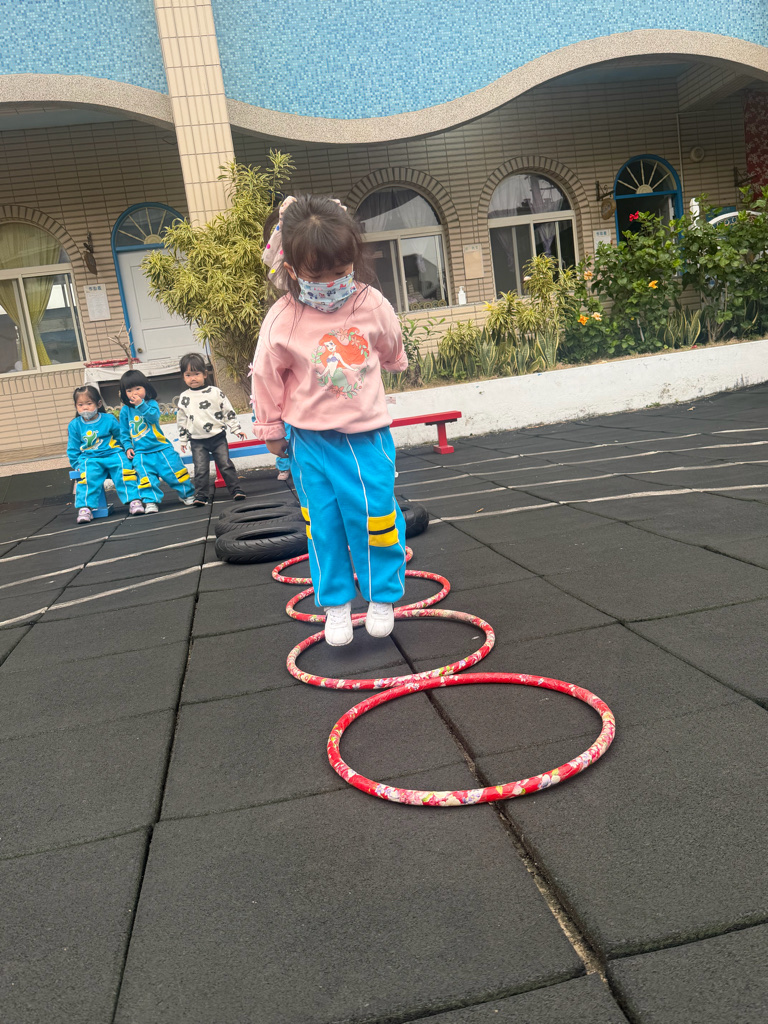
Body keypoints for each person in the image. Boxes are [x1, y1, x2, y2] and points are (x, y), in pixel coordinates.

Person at [251, 194, 409, 646]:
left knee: (376, 517)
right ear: (292, 269)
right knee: (322, 523)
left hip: (366, 437)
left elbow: (391, 341)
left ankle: (381, 596)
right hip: (310, 442)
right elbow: (265, 375)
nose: (331, 284)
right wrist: (271, 430)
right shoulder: (283, 317)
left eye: (341, 271)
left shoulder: (369, 303)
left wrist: (393, 361)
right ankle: (336, 605)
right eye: (316, 276)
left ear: (353, 259)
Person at [118, 369, 195, 512]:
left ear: (146, 388)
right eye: (129, 390)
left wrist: (141, 405)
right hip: (141, 453)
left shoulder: (151, 404)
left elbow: (153, 418)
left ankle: (187, 494)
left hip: (161, 448)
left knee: (175, 471)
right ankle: (150, 501)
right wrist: (128, 446)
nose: (134, 393)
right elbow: (123, 432)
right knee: (146, 478)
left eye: (138, 388)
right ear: (124, 393)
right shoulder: (125, 411)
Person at [176, 352, 247, 505]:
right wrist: (183, 440)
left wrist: (236, 428)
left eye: (196, 374)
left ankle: (236, 490)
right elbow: (182, 420)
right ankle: (201, 496)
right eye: (188, 375)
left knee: (225, 465)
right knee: (200, 469)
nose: (193, 378)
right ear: (183, 377)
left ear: (204, 374)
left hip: (217, 437)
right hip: (197, 441)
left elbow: (227, 411)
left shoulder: (215, 392)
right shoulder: (184, 397)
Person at [67, 385, 144, 523]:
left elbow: (120, 436)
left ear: (98, 404)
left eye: (89, 403)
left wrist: (127, 449)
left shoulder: (109, 419)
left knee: (125, 471)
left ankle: (134, 500)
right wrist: (76, 464)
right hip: (90, 457)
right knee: (87, 478)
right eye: (80, 405)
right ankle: (85, 508)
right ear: (75, 406)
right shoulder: (74, 425)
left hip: (113, 453)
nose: (85, 408)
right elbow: (73, 448)